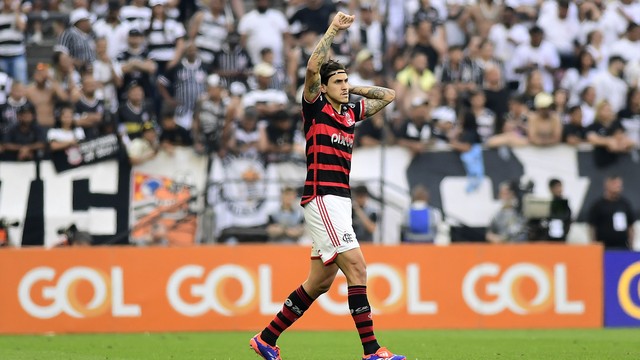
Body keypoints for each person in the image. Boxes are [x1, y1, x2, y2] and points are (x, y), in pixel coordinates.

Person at [249, 12, 404, 360]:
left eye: (346, 81)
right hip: (322, 197)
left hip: (340, 201)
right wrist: (333, 30)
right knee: (358, 268)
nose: (345, 86)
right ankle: (372, 351)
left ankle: (266, 338)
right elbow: (311, 69)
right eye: (338, 82)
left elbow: (389, 95)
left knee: (319, 282)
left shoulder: (348, 113)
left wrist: (351, 86)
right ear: (323, 86)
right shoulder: (315, 107)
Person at [588, 175, 636, 250]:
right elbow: (592, 226)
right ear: (607, 185)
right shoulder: (598, 205)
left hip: (622, 246)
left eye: (619, 184)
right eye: (615, 184)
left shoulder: (625, 204)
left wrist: (631, 243)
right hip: (604, 247)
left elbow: (630, 226)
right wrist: (594, 243)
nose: (618, 186)